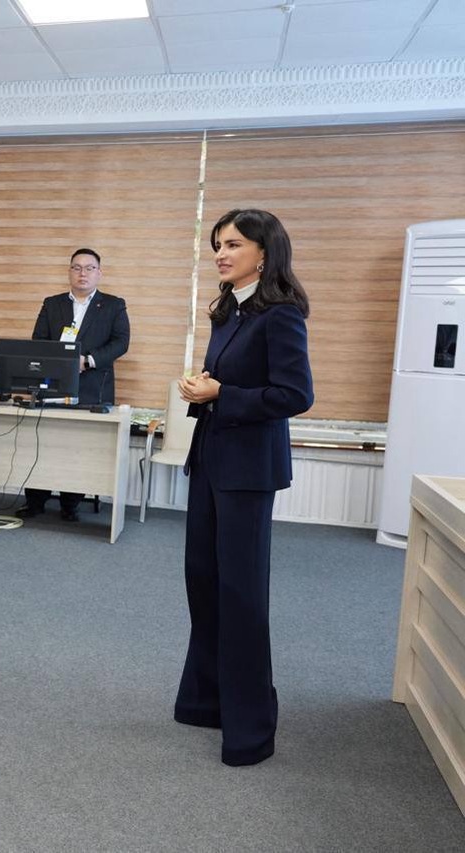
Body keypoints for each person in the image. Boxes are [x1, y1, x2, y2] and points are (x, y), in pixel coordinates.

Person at [174, 208, 313, 768]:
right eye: (218, 245)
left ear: (263, 252)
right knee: (204, 582)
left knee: (241, 595)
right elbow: (230, 380)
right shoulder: (229, 308)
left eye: (233, 244)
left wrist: (221, 396)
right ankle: (208, 702)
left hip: (249, 472)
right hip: (212, 459)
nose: (221, 253)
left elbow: (295, 395)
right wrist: (203, 388)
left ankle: (251, 729)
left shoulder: (281, 314)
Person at [23, 248, 130, 521]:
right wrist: (60, 363)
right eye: (77, 267)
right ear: (69, 272)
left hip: (93, 386)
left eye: (89, 268)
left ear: (99, 273)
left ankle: (70, 505)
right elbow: (39, 340)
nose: (83, 273)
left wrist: (89, 360)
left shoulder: (114, 305)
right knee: (43, 444)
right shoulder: (52, 303)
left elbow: (121, 343)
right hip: (53, 386)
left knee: (80, 448)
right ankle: (35, 501)